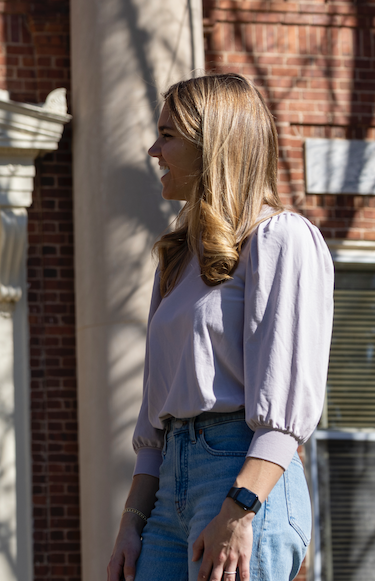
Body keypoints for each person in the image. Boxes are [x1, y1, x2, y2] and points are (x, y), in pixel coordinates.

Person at [107, 74, 333, 581]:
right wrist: (131, 522)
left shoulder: (281, 238)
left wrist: (241, 507)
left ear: (211, 143)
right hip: (167, 492)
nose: (152, 149)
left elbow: (287, 406)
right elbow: (152, 418)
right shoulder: (176, 259)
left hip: (243, 477)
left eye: (167, 135)